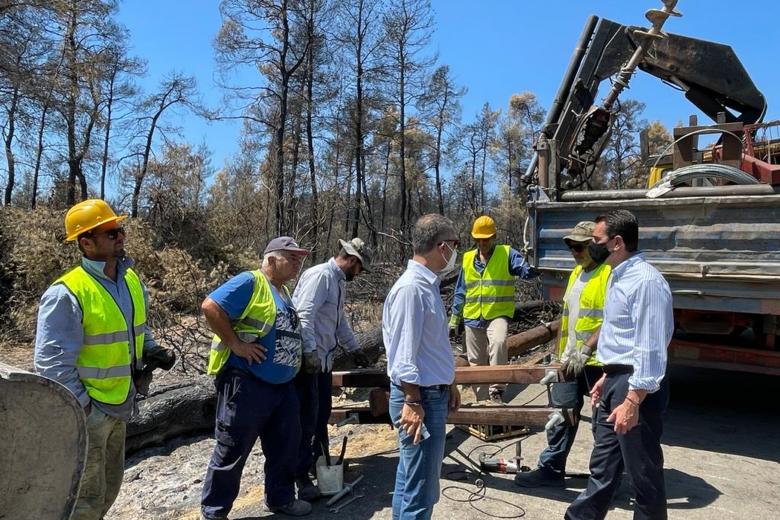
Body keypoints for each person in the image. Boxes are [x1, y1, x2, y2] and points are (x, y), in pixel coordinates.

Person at [34, 199, 174, 520]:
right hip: (90, 413)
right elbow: (51, 366)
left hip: (121, 404)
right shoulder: (67, 292)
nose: (120, 236)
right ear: (86, 242)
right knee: (84, 502)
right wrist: (86, 410)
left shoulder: (130, 280)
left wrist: (150, 349)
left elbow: (136, 327)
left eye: (120, 230)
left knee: (108, 491)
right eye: (111, 233)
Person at [565, 209, 674, 520]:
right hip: (617, 379)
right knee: (603, 468)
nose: (590, 247)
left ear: (616, 242)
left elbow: (651, 347)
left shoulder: (646, 282)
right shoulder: (617, 275)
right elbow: (619, 334)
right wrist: (608, 376)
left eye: (596, 241)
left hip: (636, 386)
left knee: (643, 474)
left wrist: (631, 399)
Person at [200, 237, 311, 519]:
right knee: (232, 449)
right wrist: (236, 344)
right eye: (292, 257)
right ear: (272, 259)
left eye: (300, 258)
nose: (298, 263)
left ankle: (281, 499)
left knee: (286, 445)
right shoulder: (250, 282)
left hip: (281, 385)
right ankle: (214, 512)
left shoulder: (283, 292)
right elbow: (210, 306)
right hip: (246, 382)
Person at [515, 221, 610, 488]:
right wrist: (557, 355)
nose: (574, 250)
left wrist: (587, 349)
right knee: (560, 415)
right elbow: (565, 319)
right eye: (571, 245)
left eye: (579, 246)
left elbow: (613, 319)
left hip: (597, 362)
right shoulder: (576, 273)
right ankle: (551, 469)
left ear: (594, 245)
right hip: (569, 360)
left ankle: (603, 481)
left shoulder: (608, 275)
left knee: (603, 426)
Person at [384, 213, 462, 520]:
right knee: (421, 492)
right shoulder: (411, 289)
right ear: (441, 247)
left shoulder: (425, 285)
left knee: (410, 481)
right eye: (455, 244)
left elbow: (430, 346)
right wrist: (413, 401)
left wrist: (450, 381)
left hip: (430, 394)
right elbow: (404, 355)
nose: (456, 251)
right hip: (420, 400)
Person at [291, 237, 371, 500]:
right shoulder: (321, 276)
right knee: (305, 420)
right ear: (351, 260)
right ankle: (301, 477)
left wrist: (355, 348)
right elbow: (304, 315)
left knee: (320, 414)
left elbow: (339, 323)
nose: (359, 274)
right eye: (360, 268)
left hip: (322, 362)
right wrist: (309, 352)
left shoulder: (337, 282)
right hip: (308, 363)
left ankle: (319, 463)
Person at [449, 215, 535, 403]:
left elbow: (526, 272)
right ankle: (482, 399)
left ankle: (496, 390)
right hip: (472, 316)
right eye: (478, 239)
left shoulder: (507, 253)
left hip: (498, 313)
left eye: (485, 239)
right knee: (476, 361)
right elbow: (461, 289)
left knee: (498, 342)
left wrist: (533, 257)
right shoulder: (468, 258)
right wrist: (455, 316)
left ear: (494, 236)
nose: (482, 243)